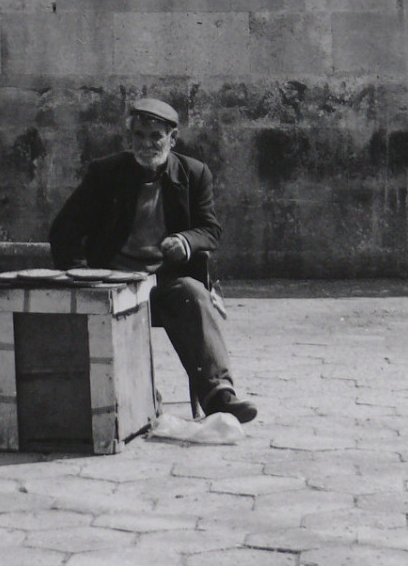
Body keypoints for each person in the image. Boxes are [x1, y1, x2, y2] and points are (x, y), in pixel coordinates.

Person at [49, 97, 257, 423]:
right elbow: (64, 230)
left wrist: (186, 241)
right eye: (139, 135)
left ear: (173, 139)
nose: (146, 144)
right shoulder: (106, 173)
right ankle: (139, 398)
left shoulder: (194, 174)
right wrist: (81, 274)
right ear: (130, 137)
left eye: (156, 137)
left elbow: (210, 229)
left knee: (194, 294)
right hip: (114, 281)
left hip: (164, 281)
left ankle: (219, 395)